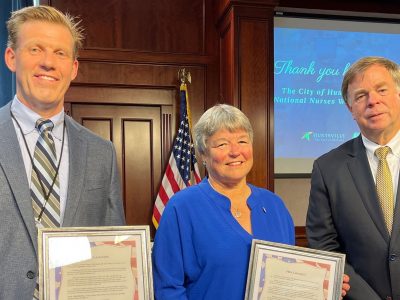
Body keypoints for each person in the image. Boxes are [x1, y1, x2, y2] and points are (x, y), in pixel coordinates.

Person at [152, 104, 350, 299]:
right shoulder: (181, 208)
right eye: (222, 144)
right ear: (203, 154)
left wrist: (322, 284)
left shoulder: (275, 206)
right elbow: (168, 288)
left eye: (242, 141)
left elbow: (288, 278)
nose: (235, 151)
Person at [0, 5, 125, 299]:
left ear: (73, 68)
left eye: (60, 53)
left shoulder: (101, 153)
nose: (48, 63)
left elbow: (112, 243)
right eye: (35, 49)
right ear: (12, 58)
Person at [307, 56, 400, 300]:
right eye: (360, 96)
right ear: (351, 109)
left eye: (381, 90)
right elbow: (323, 245)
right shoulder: (327, 168)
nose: (373, 101)